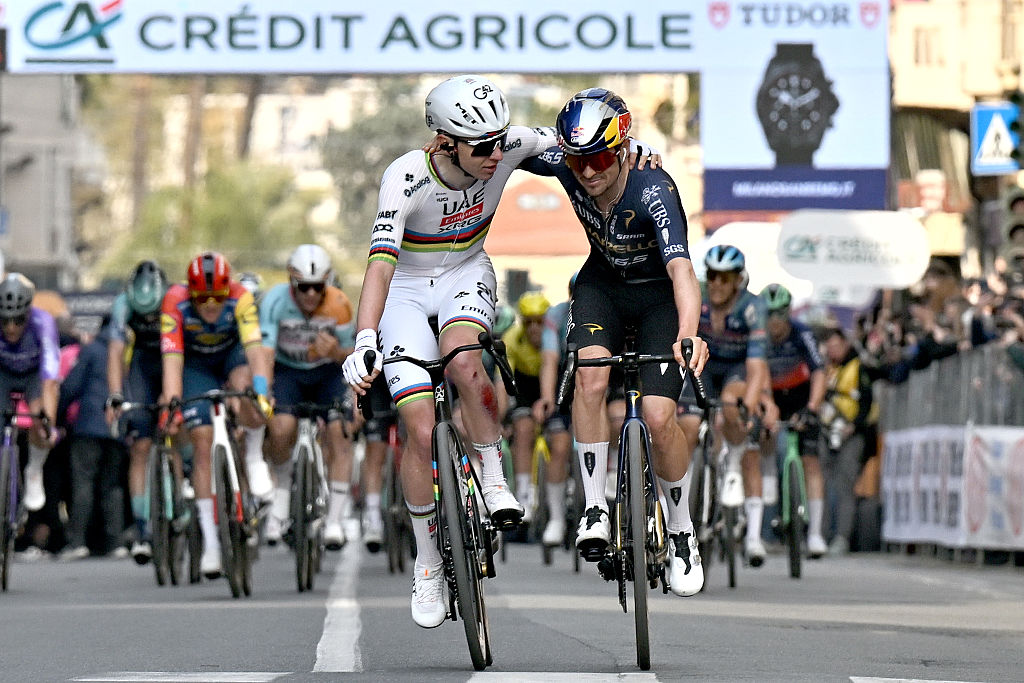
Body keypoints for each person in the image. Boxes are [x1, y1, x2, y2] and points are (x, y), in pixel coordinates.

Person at [341, 74, 568, 629]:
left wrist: (638, 153)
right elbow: (379, 266)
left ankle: (493, 478)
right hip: (405, 290)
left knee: (466, 361)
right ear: (444, 142)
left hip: (466, 271)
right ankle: (426, 560)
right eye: (481, 146)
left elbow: (578, 143)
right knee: (419, 427)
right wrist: (365, 337)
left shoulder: (508, 145)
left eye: (500, 140)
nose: (495, 154)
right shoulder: (405, 178)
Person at [517, 88, 710, 596]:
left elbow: (682, 269)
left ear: (624, 149)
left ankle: (682, 528)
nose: (589, 172)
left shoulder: (654, 189)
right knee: (590, 376)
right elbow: (507, 143)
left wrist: (689, 334)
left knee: (659, 417)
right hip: (602, 287)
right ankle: (595, 505)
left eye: (602, 157)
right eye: (579, 160)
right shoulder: (569, 163)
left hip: (659, 299)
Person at [159, 251, 273, 578]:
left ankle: (253, 458)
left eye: (216, 298)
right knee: (201, 440)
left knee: (246, 392)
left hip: (232, 357)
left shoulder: (241, 298)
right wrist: (173, 401)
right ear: (191, 293)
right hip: (196, 365)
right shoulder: (174, 302)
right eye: (202, 299)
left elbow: (255, 352)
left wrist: (262, 394)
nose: (210, 305)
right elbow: (172, 361)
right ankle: (211, 543)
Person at [677, 244, 772, 567]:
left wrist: (751, 400)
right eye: (713, 276)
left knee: (733, 404)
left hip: (735, 370)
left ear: (738, 280)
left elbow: (757, 366)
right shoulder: (698, 295)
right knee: (687, 427)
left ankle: (731, 467)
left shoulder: (752, 307)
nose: (717, 284)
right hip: (699, 368)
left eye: (725, 278)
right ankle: (682, 495)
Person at [259, 244, 355, 549]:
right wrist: (265, 391)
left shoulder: (339, 305)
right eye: (304, 288)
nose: (311, 295)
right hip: (288, 371)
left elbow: (354, 354)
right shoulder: (274, 302)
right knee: (280, 428)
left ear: (327, 281)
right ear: (291, 281)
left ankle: (335, 521)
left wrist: (336, 352)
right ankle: (283, 491)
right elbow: (265, 351)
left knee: (341, 432)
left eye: (318, 287)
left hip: (328, 372)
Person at [105, 260, 168, 564]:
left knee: (177, 425)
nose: (149, 318)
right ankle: (143, 528)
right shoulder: (122, 304)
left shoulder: (174, 300)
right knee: (141, 446)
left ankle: (184, 492)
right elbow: (116, 352)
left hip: (174, 356)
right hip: (144, 363)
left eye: (154, 313)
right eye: (144, 315)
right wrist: (116, 395)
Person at [760, 283, 828, 558]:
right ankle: (764, 523)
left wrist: (812, 407)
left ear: (788, 313)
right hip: (771, 395)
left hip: (800, 396)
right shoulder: (758, 336)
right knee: (765, 446)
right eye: (769, 314)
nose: (775, 321)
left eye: (780, 314)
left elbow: (820, 372)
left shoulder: (802, 333)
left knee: (810, 461)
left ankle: (814, 535)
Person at [501, 290, 573, 547]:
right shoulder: (512, 339)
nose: (533, 328)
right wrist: (502, 417)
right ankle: (523, 495)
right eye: (527, 321)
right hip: (523, 387)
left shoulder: (556, 336)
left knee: (559, 440)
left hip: (552, 384)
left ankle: (560, 510)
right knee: (522, 430)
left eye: (538, 321)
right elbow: (503, 382)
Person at [58, 314, 127, 560]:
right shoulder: (125, 352)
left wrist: (58, 417)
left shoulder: (92, 350)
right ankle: (115, 542)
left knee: (83, 483)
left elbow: (71, 385)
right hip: (117, 426)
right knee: (113, 485)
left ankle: (78, 542)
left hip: (88, 425)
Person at [0, 273, 59, 514]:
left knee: (39, 418)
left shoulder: (43, 322)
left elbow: (50, 379)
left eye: (17, 320)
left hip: (34, 376)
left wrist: (48, 423)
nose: (11, 327)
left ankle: (34, 469)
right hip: (3, 373)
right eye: (5, 320)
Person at [821, 327, 877, 556]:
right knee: (821, 485)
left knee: (845, 486)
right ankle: (820, 534)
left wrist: (854, 426)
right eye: (830, 346)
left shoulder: (858, 367)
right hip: (826, 430)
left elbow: (867, 400)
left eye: (837, 345)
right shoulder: (826, 367)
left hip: (851, 433)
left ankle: (842, 537)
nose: (833, 350)